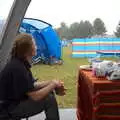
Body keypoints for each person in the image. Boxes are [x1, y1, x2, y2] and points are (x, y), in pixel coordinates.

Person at [0, 33, 66, 120]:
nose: (36, 46)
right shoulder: (18, 68)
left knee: (49, 93)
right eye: (34, 44)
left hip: (11, 105)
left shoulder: (20, 63)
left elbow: (31, 85)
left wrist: (51, 82)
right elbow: (35, 96)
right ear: (27, 49)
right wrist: (53, 85)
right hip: (8, 110)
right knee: (49, 100)